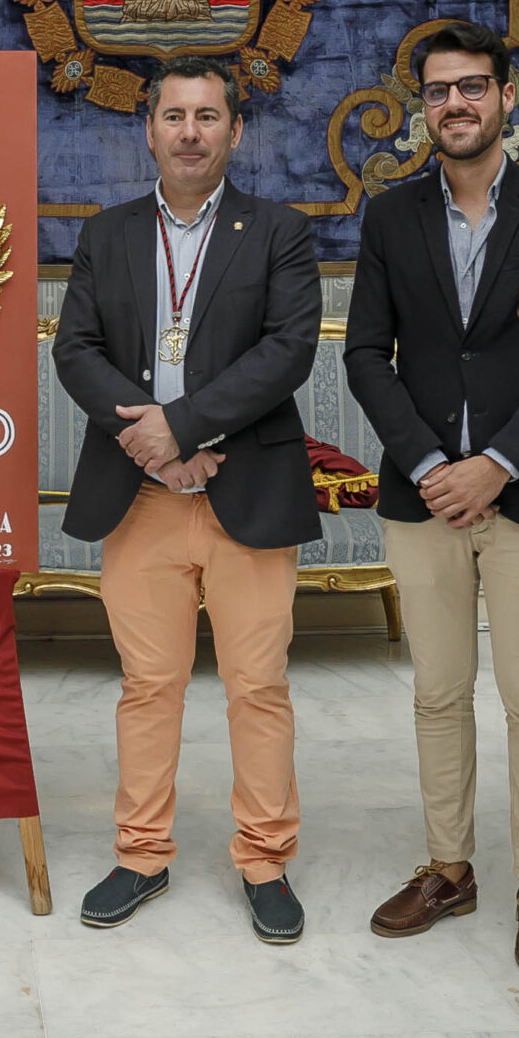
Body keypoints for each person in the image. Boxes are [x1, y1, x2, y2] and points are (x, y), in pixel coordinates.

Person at [344, 22, 519, 978]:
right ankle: (449, 869)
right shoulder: (389, 215)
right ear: (423, 108)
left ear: (506, 98)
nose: (456, 103)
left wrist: (496, 461)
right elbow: (365, 353)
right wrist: (427, 463)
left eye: (473, 86)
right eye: (439, 90)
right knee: (438, 692)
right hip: (422, 499)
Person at [51, 54, 322, 943]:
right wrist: (152, 444)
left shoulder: (279, 231)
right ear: (149, 130)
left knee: (258, 685)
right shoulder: (108, 233)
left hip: (248, 488)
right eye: (175, 116)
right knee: (148, 684)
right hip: (140, 494)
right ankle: (140, 854)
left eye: (208, 116)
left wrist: (183, 427)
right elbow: (76, 349)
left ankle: (265, 859)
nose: (191, 132)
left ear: (235, 131)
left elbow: (286, 350)